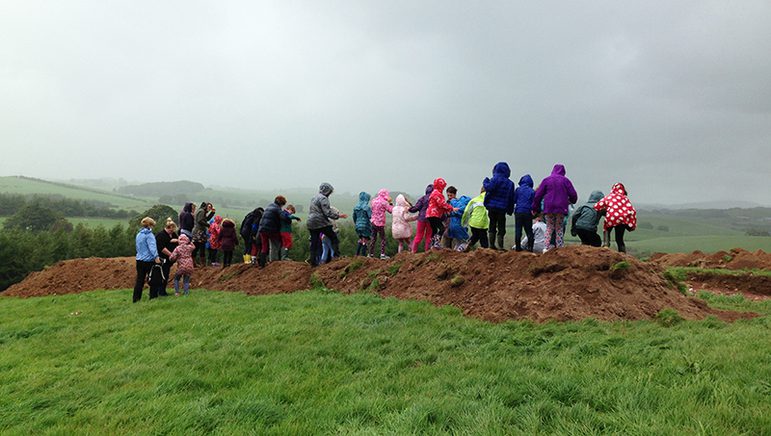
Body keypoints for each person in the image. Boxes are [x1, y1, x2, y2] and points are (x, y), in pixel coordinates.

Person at [532, 164, 578, 253]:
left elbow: (538, 195)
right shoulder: (566, 181)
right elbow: (573, 195)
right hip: (561, 208)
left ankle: (546, 248)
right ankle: (559, 247)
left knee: (549, 227)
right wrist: (571, 201)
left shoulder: (546, 180)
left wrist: (535, 207)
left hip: (548, 208)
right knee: (559, 228)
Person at [307, 183, 348, 267]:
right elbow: (327, 212)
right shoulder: (323, 199)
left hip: (311, 222)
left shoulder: (314, 198)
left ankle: (313, 261)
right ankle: (336, 256)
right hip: (321, 222)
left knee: (314, 242)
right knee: (333, 238)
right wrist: (338, 216)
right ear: (327, 191)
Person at [594, 183, 637, 253]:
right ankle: (623, 256)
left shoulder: (610, 197)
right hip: (622, 220)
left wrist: (603, 211)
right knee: (619, 239)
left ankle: (606, 246)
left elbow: (597, 206)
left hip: (611, 218)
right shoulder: (625, 199)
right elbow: (632, 211)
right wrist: (631, 224)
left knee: (607, 230)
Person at [483, 162, 516, 250]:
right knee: (501, 226)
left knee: (492, 225)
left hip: (492, 207)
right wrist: (510, 210)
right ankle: (500, 246)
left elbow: (489, 188)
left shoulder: (494, 180)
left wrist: (485, 181)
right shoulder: (510, 184)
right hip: (502, 208)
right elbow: (511, 198)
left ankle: (491, 245)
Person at [133, 217, 161, 303]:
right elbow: (152, 248)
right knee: (154, 279)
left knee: (139, 280)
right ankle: (153, 297)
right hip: (149, 261)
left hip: (139, 260)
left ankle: (136, 299)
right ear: (150, 225)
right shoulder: (149, 235)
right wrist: (156, 257)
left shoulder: (139, 234)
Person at [426, 178, 457, 249]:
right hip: (434, 214)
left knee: (434, 230)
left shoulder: (433, 193)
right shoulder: (438, 194)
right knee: (442, 228)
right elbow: (442, 204)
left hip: (429, 214)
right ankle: (436, 242)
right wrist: (451, 208)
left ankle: (432, 244)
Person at [257, 196, 286, 267]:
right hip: (271, 230)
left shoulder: (268, 207)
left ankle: (262, 264)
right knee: (275, 244)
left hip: (262, 229)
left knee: (264, 246)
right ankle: (273, 262)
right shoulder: (277, 209)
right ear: (281, 204)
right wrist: (289, 217)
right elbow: (284, 217)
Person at [155, 218, 179, 296]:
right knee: (162, 274)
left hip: (169, 259)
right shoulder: (161, 235)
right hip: (162, 258)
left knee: (166, 274)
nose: (172, 231)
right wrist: (171, 255)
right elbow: (162, 248)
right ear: (168, 228)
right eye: (171, 230)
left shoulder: (173, 234)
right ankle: (161, 291)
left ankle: (162, 290)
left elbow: (177, 243)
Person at [513, 174, 536, 252]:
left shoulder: (518, 190)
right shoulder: (532, 191)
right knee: (529, 230)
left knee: (518, 229)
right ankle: (530, 248)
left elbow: (514, 200)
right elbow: (534, 203)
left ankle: (518, 247)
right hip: (527, 212)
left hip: (518, 211)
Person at [409, 184, 434, 253]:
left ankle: (413, 251)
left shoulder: (422, 198)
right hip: (430, 219)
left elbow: (416, 208)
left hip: (421, 218)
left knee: (419, 235)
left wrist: (410, 209)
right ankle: (427, 251)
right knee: (429, 235)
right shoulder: (434, 199)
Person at [369, 189, 393, 259]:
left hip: (373, 221)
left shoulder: (373, 201)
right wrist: (390, 203)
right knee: (383, 238)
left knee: (373, 238)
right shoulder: (384, 202)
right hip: (380, 223)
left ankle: (371, 254)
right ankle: (382, 254)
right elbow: (391, 210)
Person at [352, 192, 372, 256]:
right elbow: (370, 216)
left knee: (361, 239)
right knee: (365, 240)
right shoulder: (367, 207)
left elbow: (354, 217)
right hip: (365, 225)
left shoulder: (356, 207)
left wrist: (356, 223)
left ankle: (357, 254)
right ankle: (363, 255)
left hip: (358, 225)